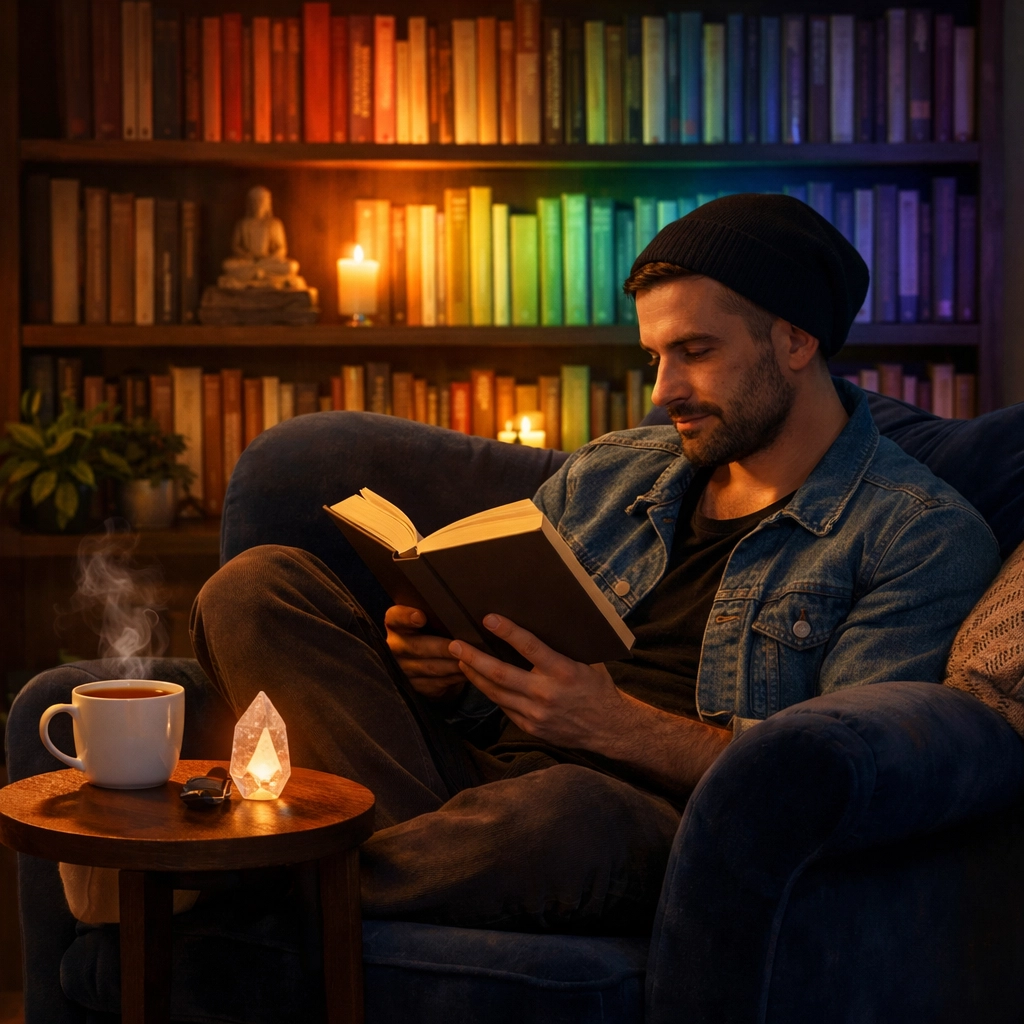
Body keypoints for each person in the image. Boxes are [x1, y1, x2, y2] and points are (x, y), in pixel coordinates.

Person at [191, 194, 1000, 934]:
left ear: (796, 338)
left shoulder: (917, 536)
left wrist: (615, 726)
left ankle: (265, 887)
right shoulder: (613, 472)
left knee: (565, 810)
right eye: (655, 357)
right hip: (470, 795)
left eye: (696, 351)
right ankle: (400, 875)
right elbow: (494, 698)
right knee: (257, 588)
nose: (664, 390)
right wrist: (447, 672)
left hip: (646, 824)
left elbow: (831, 783)